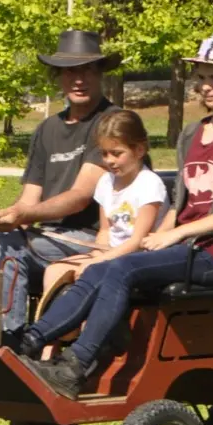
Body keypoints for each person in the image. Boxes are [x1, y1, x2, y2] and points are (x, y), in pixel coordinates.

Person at [17, 34, 213, 399]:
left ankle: (75, 367)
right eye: (202, 77)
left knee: (123, 268)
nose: (206, 86)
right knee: (99, 267)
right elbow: (180, 199)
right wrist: (165, 230)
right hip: (182, 247)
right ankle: (31, 342)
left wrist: (173, 236)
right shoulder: (193, 133)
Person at [0, 30, 121, 350]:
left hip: (90, 238)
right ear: (59, 76)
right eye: (71, 71)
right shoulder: (48, 129)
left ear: (100, 73)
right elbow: (29, 198)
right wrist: (12, 214)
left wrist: (23, 218)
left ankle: (12, 342)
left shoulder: (111, 123)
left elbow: (80, 196)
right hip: (46, 237)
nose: (79, 79)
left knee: (9, 246)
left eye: (87, 69)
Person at [37, 110, 164, 320]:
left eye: (117, 153)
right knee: (55, 270)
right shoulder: (106, 182)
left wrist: (98, 262)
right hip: (110, 253)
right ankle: (53, 339)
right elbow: (105, 231)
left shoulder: (149, 184)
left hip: (137, 257)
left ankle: (74, 333)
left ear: (139, 149)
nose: (109, 161)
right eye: (105, 154)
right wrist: (96, 256)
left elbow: (139, 241)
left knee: (93, 276)